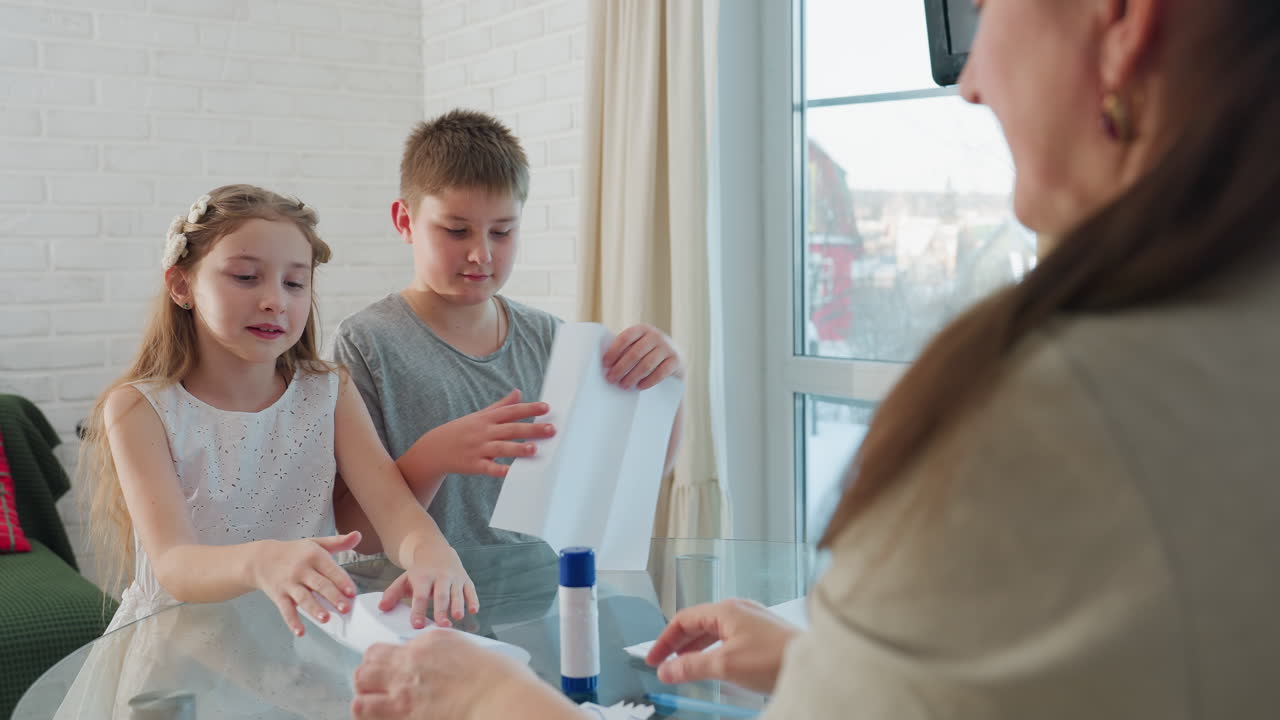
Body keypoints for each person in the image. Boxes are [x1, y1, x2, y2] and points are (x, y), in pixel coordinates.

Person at [350, 0, 1280, 717]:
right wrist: (819, 661)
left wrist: (491, 701)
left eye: (991, 10)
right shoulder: (370, 344)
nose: (970, 81)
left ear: (1124, 22)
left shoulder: (1067, 400)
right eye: (457, 230)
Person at [330, 110, 684, 552]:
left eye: (502, 232)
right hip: (416, 609)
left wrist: (666, 382)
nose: (481, 254)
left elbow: (630, 479)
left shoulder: (553, 339)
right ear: (405, 222)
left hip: (537, 603)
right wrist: (432, 456)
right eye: (456, 231)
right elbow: (352, 531)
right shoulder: (367, 343)